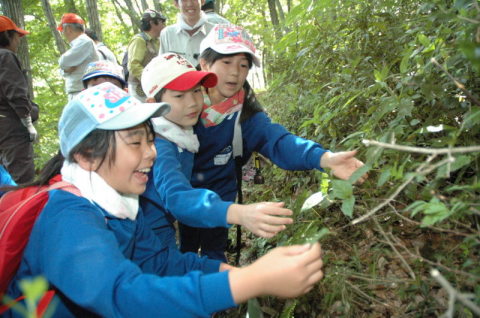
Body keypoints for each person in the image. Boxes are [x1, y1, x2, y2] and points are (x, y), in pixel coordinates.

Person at [4, 82, 324, 317]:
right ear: (86, 155)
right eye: (135, 142)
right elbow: (120, 296)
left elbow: (162, 262)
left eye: (150, 139)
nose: (151, 153)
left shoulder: (121, 204)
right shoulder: (67, 217)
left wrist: (240, 275)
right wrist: (251, 281)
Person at [180, 24, 368, 259]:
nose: (235, 72)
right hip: (182, 194)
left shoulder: (246, 114)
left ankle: (218, 288)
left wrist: (324, 158)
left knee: (213, 251)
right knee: (184, 250)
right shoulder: (182, 106)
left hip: (222, 199)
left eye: (243, 65)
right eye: (226, 62)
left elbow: (278, 141)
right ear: (206, 64)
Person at [139, 53, 293, 260]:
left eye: (196, 91)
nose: (192, 102)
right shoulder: (161, 146)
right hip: (149, 228)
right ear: (153, 103)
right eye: (179, 96)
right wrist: (238, 213)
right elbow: (176, 197)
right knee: (169, 271)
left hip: (158, 221)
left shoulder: (176, 132)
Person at [0, 15, 38, 184]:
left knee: (4, 177)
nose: (19, 41)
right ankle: (21, 208)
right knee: (21, 178)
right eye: (17, 36)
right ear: (7, 35)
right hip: (11, 126)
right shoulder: (5, 56)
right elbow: (16, 93)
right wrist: (27, 122)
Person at [160, 0, 215, 67]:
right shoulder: (167, 34)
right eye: (184, 0)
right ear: (176, 3)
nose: (189, 4)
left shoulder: (215, 32)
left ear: (203, 1)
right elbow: (162, 67)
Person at [127, 9, 166, 102]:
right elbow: (133, 65)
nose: (164, 25)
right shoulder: (139, 40)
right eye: (162, 22)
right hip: (139, 89)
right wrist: (149, 79)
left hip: (154, 86)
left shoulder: (158, 41)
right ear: (152, 23)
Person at [57, 13, 99, 100]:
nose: (63, 33)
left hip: (83, 92)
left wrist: (64, 68)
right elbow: (63, 69)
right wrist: (65, 70)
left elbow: (63, 62)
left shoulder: (84, 42)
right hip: (79, 91)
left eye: (62, 30)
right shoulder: (79, 43)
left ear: (68, 29)